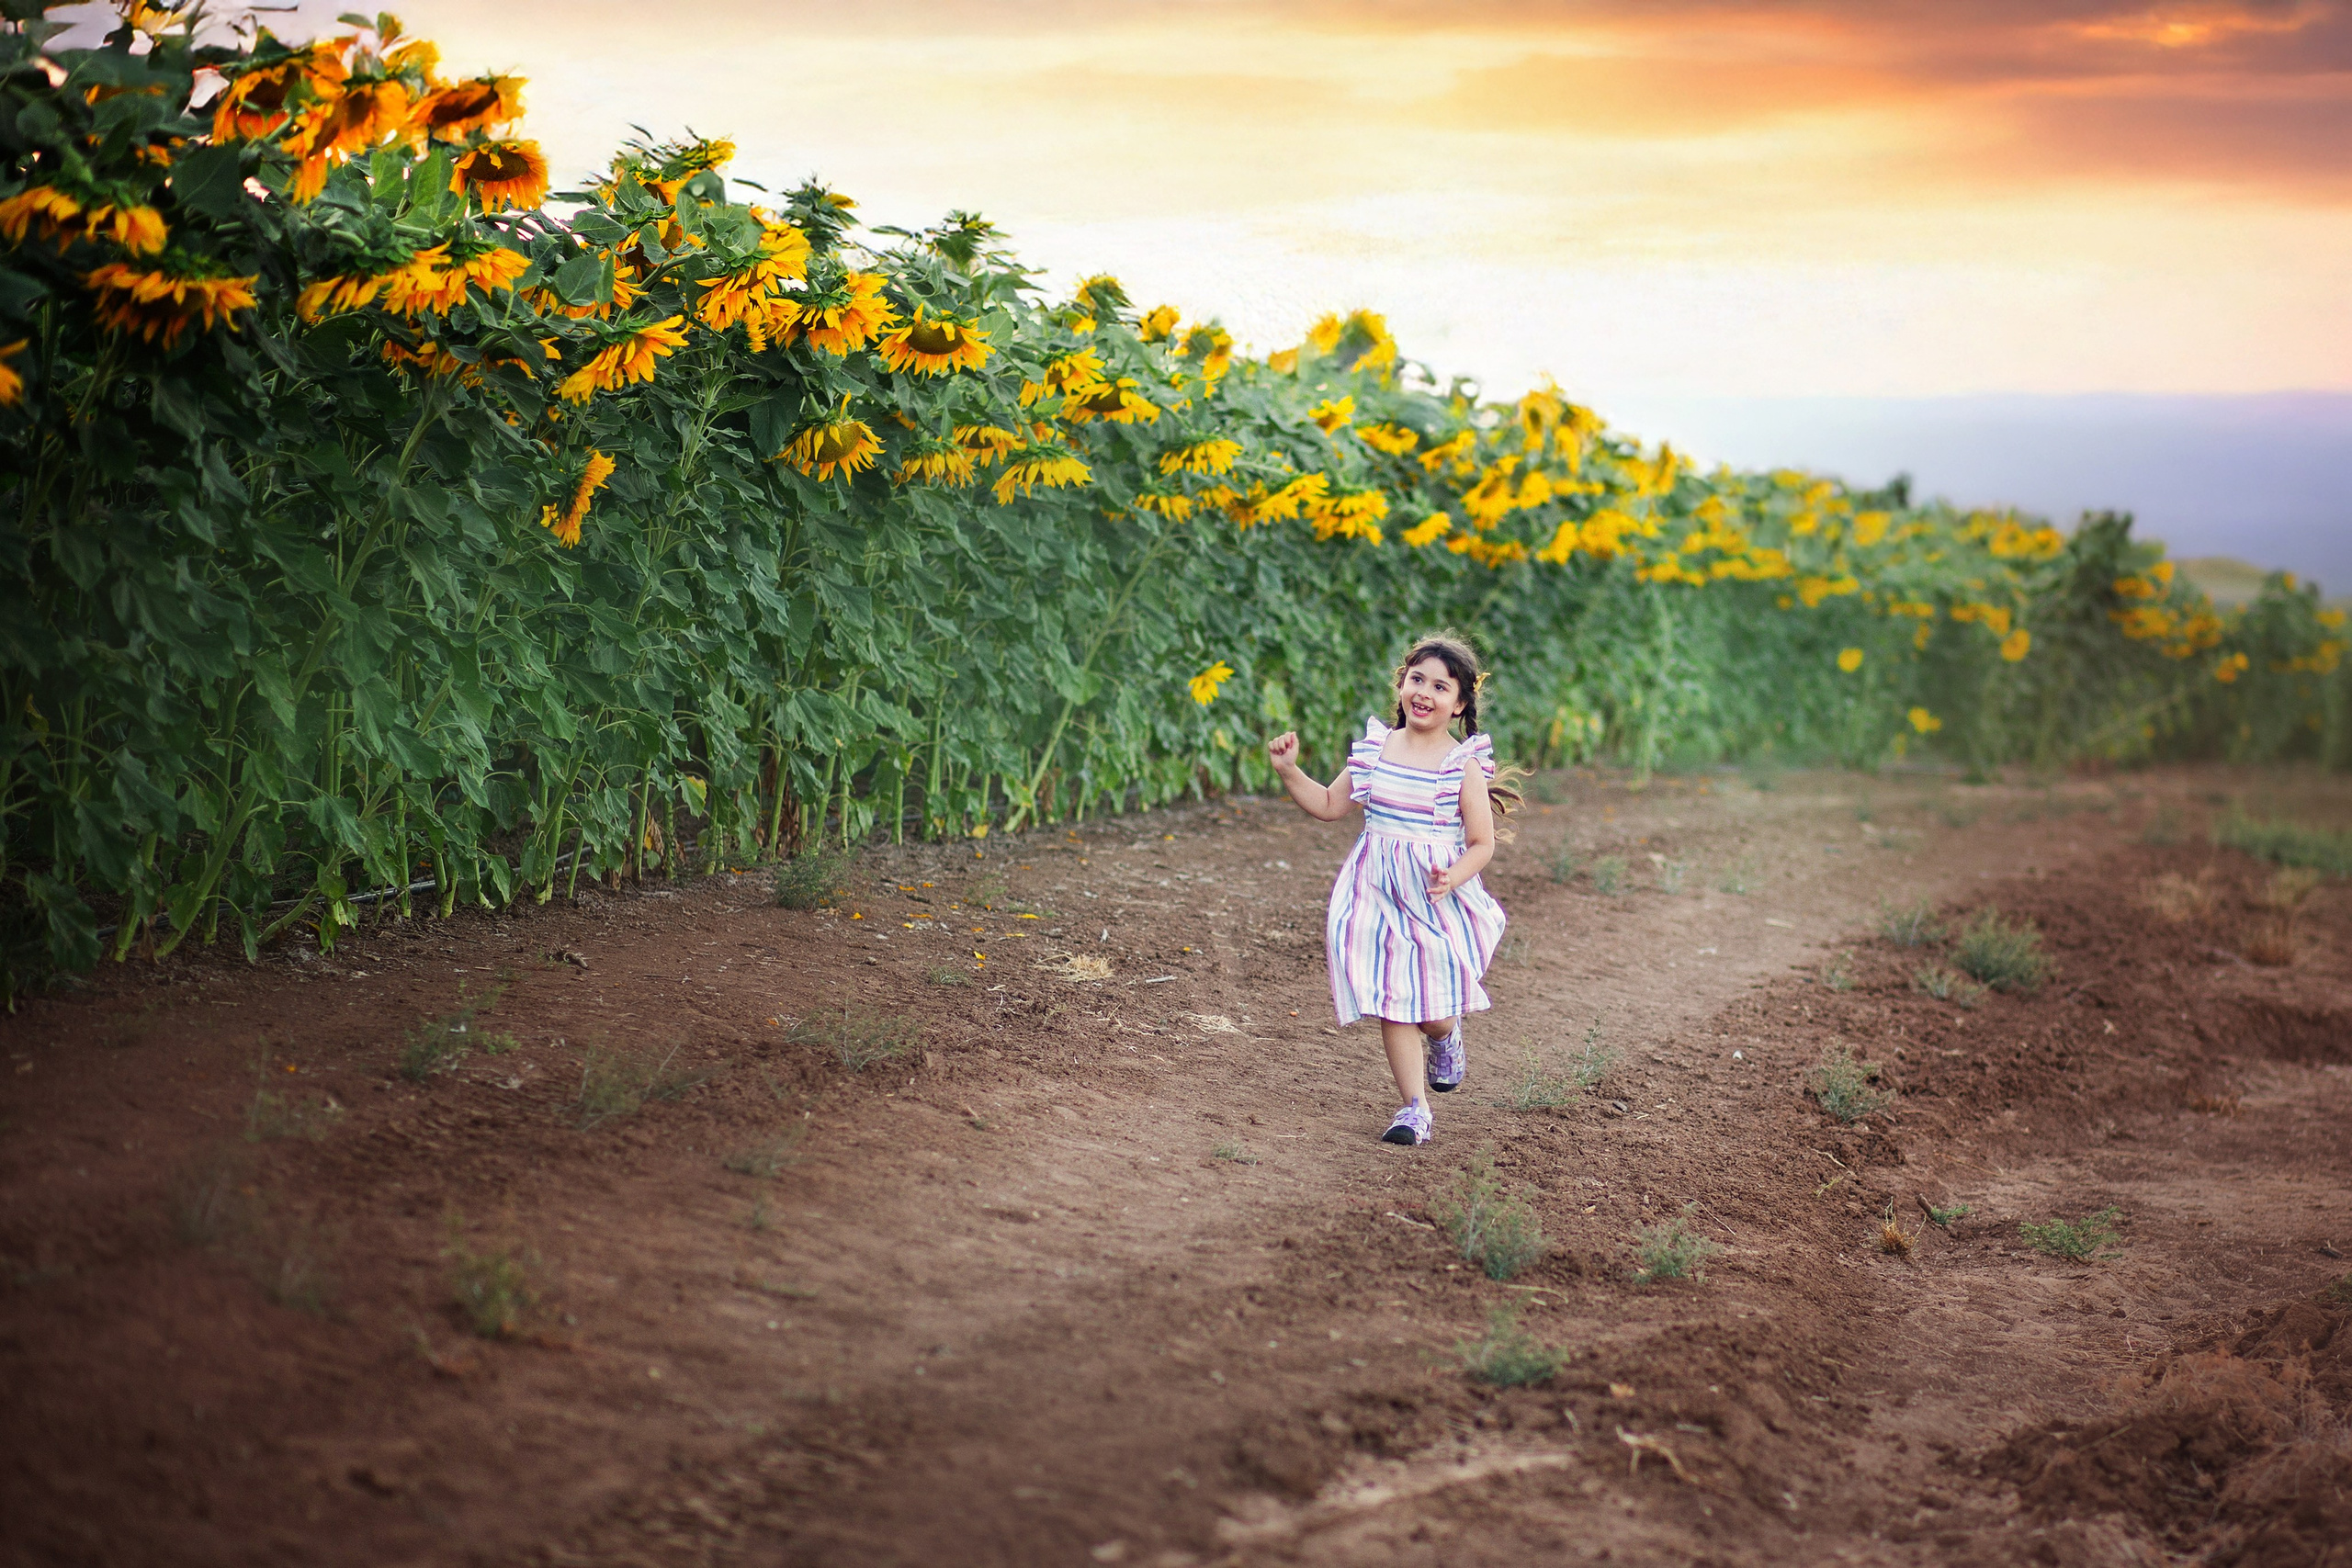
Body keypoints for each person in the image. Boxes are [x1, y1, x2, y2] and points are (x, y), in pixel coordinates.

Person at [1266, 633, 1517, 1145]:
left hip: (1432, 895)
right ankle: (1413, 1109)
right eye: (1417, 679)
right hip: (1376, 890)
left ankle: (1446, 1037)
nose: (1424, 692)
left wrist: (1455, 874)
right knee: (1392, 997)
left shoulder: (1460, 764)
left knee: (1432, 1013)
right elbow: (1330, 804)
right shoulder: (1378, 748)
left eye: (1440, 686)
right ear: (1402, 684)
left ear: (1460, 703)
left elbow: (1481, 842)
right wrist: (1290, 772)